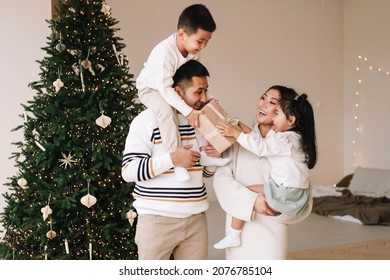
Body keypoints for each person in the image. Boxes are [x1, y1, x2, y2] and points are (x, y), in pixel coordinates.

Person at [122, 60, 222, 260]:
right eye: (198, 92)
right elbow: (129, 171)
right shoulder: (146, 120)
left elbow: (205, 174)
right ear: (177, 92)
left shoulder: (201, 121)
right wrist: (173, 159)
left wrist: (212, 157)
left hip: (196, 220)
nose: (204, 98)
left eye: (206, 91)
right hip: (156, 221)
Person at [212, 85, 315, 259]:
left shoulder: (285, 144)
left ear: (289, 116)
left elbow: (300, 201)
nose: (263, 105)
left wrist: (275, 209)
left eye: (272, 103)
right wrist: (252, 201)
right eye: (263, 98)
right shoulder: (239, 143)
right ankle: (233, 235)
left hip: (273, 233)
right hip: (240, 233)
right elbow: (221, 181)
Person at [136, 4, 229, 182]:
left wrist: (205, 101)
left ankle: (205, 152)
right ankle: (177, 158)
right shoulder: (165, 53)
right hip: (151, 89)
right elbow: (164, 89)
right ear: (181, 34)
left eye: (207, 41)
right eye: (200, 41)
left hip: (174, 87)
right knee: (165, 110)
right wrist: (188, 111)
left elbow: (194, 79)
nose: (203, 46)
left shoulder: (194, 52)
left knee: (200, 106)